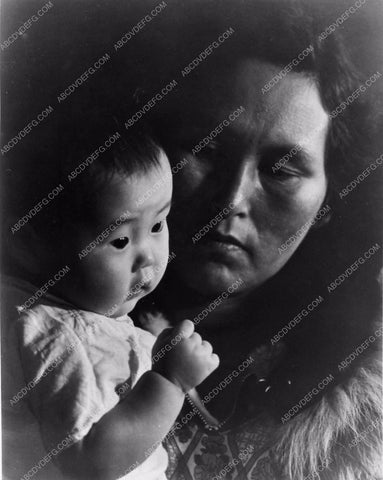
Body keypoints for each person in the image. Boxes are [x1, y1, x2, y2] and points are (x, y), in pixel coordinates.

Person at [124, 1, 382, 479]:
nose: (230, 201)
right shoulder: (47, 335)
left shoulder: (359, 422)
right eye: (205, 149)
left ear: (327, 202)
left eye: (282, 169)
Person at [1, 117, 219, 480]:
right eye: (120, 241)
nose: (149, 256)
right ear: (28, 245)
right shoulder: (59, 338)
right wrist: (170, 382)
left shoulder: (69, 318)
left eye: (157, 225)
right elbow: (91, 462)